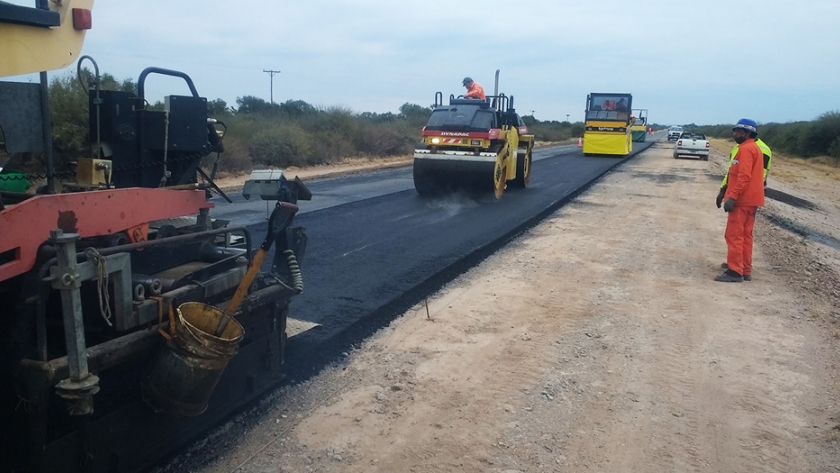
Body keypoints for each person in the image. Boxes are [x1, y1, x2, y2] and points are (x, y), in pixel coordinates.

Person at [715, 118, 765, 283]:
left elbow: (743, 177)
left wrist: (733, 197)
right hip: (751, 200)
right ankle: (745, 269)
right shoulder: (753, 148)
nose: (734, 134)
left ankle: (735, 272)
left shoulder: (746, 150)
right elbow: (735, 174)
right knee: (745, 235)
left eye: (738, 131)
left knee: (734, 235)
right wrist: (724, 190)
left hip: (742, 201)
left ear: (747, 133)